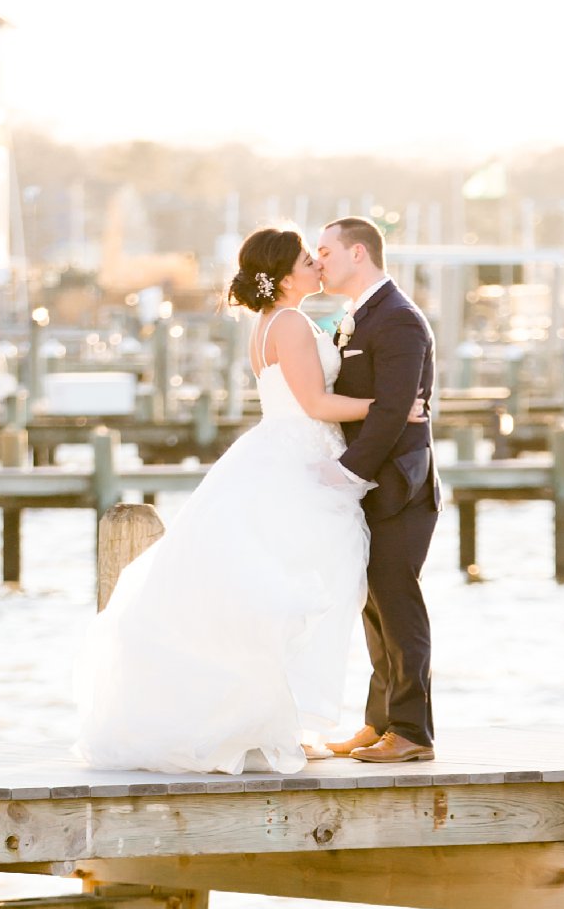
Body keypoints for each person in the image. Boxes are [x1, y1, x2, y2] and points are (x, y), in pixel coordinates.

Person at [74, 225, 422, 776]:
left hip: (273, 454)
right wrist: (390, 407)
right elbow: (315, 402)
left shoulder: (266, 324)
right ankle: (275, 724)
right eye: (309, 259)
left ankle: (275, 721)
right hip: (300, 460)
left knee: (272, 597)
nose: (317, 266)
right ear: (285, 276)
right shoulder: (292, 323)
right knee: (294, 597)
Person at [314, 218, 440, 764]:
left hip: (399, 488)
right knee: (374, 609)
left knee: (399, 604)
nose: (318, 262)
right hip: (372, 488)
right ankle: (380, 721)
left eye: (325, 251)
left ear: (357, 252)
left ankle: (413, 732)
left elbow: (394, 411)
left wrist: (347, 472)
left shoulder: (399, 320)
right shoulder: (360, 316)